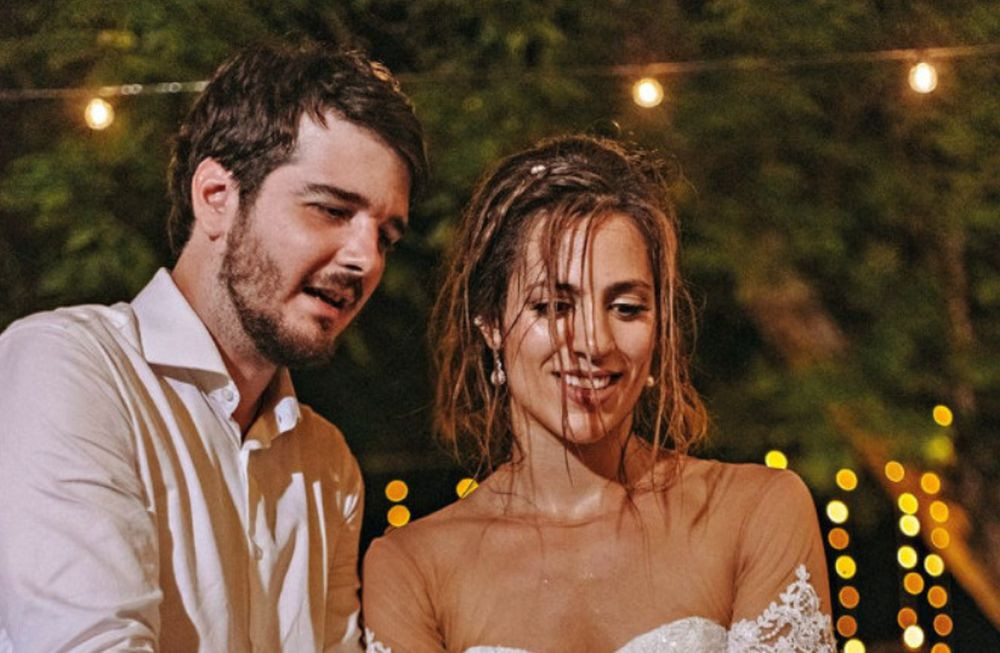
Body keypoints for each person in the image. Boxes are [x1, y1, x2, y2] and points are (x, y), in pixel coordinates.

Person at [0, 40, 426, 652]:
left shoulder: (327, 464)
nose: (365, 259)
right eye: (332, 210)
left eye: (385, 236)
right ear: (216, 197)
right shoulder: (68, 368)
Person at [362, 135, 835, 652]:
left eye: (626, 308)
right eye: (553, 307)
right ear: (491, 322)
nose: (595, 343)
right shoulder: (413, 569)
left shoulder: (753, 513)